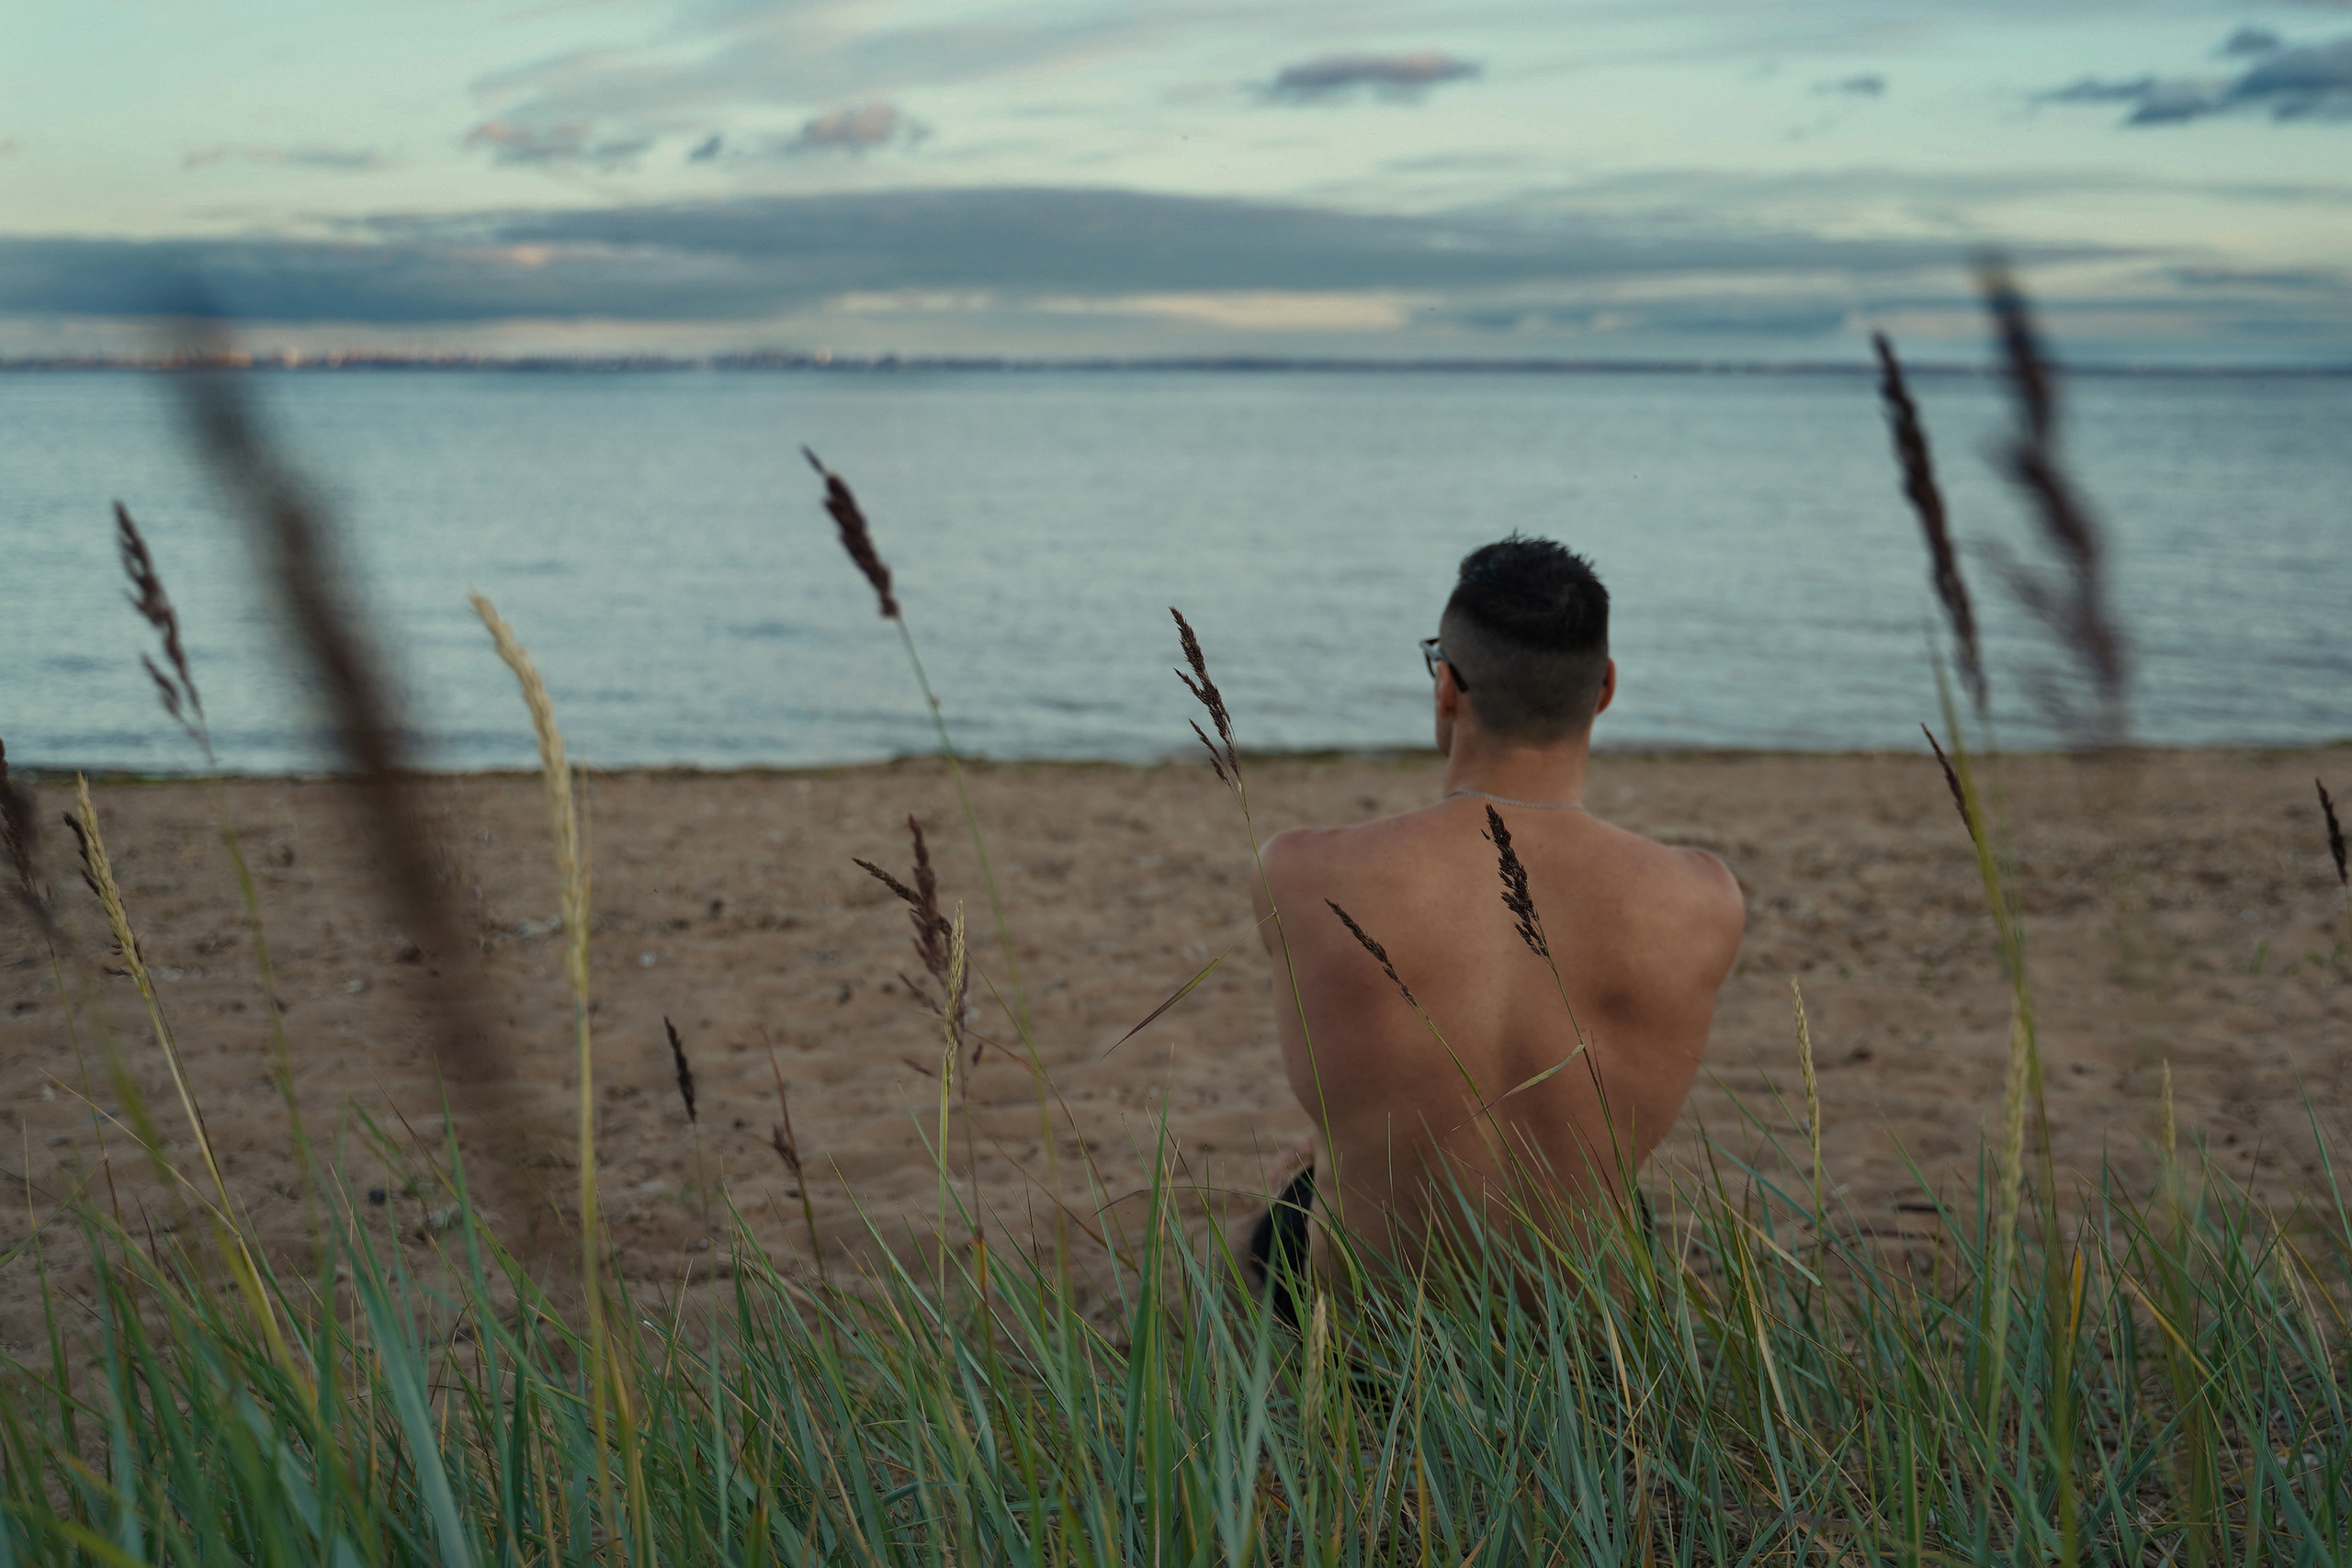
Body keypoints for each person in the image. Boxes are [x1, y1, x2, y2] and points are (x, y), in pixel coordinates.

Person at [1242, 536, 1744, 1314]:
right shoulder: (1704, 897)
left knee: (1273, 1213)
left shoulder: (1300, 871)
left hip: (1375, 1342)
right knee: (1609, 1195)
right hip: (1583, 1338)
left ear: (1447, 686)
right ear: (1605, 687)